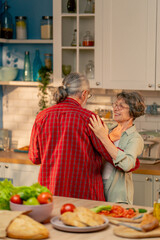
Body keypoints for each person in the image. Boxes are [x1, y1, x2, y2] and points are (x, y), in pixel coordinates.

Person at [29, 72, 122, 201]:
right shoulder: (90, 119)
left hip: (49, 193)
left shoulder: (42, 116)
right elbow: (112, 156)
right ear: (84, 93)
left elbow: (35, 158)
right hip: (84, 195)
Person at [89, 91, 145, 204]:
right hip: (98, 187)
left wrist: (104, 138)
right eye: (115, 104)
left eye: (121, 106)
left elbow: (127, 164)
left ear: (133, 112)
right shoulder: (109, 129)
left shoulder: (135, 138)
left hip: (118, 195)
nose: (115, 108)